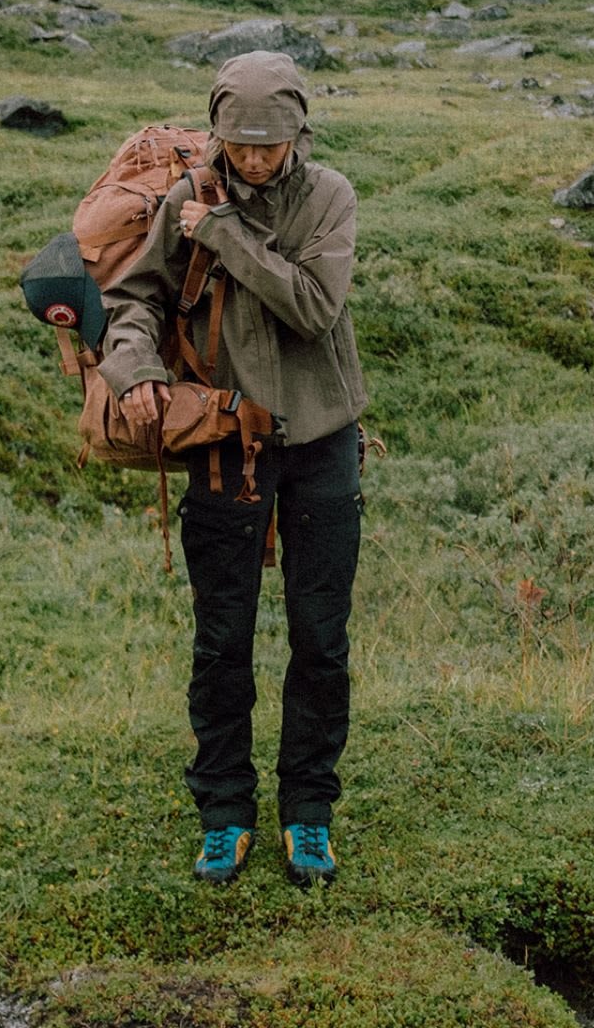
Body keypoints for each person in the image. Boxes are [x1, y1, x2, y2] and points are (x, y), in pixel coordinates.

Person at [98, 50, 368, 886]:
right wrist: (135, 368)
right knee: (222, 640)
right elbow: (134, 299)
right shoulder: (184, 196)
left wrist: (221, 234)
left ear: (299, 133)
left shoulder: (330, 197)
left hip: (322, 441)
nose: (253, 158)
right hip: (223, 441)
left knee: (321, 638)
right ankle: (224, 812)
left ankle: (308, 811)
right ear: (218, 131)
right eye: (240, 144)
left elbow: (313, 307)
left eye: (269, 144)